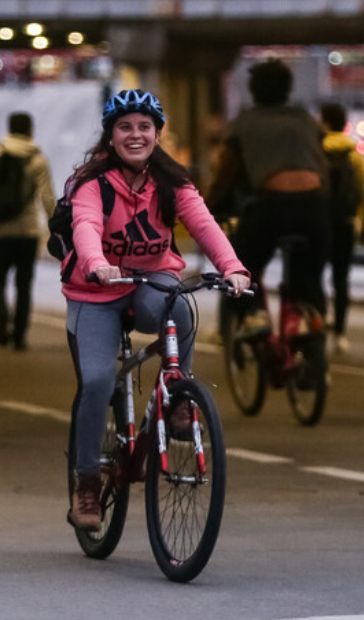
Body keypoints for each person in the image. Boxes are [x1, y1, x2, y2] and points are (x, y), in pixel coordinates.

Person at [62, 89, 250, 530]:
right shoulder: (92, 183)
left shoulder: (172, 182)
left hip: (149, 282)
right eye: (125, 127)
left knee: (179, 302)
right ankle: (86, 482)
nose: (135, 135)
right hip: (95, 290)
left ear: (157, 134)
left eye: (144, 127)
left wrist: (233, 268)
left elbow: (204, 225)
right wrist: (97, 264)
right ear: (110, 136)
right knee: (97, 381)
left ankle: (178, 397)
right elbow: (85, 225)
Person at [207, 59, 329, 337]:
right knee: (309, 271)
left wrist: (208, 209)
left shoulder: (245, 122)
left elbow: (227, 175)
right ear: (288, 89)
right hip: (314, 207)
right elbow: (324, 168)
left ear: (253, 90)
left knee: (240, 263)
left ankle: (254, 314)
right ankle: (307, 316)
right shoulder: (306, 120)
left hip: (272, 206)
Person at [0, 112, 56, 350]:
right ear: (30, 131)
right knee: (24, 286)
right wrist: (56, 228)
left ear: (9, 129)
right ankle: (19, 336)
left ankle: (2, 317)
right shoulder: (38, 160)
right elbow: (47, 198)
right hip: (28, 233)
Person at [320, 103, 364, 354]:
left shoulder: (316, 150)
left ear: (326, 123)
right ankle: (340, 333)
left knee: (313, 276)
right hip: (345, 223)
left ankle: (316, 324)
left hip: (318, 224)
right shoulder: (354, 154)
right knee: (341, 280)